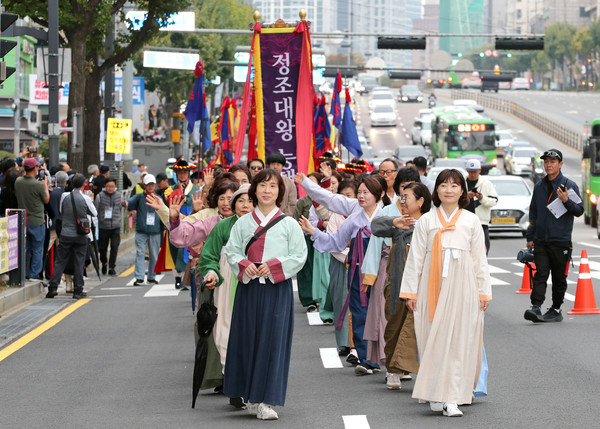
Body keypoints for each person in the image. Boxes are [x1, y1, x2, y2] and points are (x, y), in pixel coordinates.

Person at [400, 169, 491, 417]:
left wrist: (483, 292)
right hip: (431, 286)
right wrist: (410, 292)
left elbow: (478, 259)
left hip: (463, 287)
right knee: (432, 339)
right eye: (443, 185)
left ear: (462, 190)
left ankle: (452, 397)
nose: (448, 189)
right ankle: (435, 392)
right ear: (436, 190)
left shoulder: (471, 220)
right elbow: (416, 258)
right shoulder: (427, 221)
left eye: (454, 185)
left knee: (459, 341)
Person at [223, 169, 307, 420]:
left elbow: (299, 256)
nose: (267, 190)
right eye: (262, 185)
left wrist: (273, 266)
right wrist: (243, 264)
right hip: (248, 290)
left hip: (276, 289)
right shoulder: (243, 223)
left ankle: (266, 400)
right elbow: (232, 251)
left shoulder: (290, 223)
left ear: (280, 192)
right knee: (246, 340)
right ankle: (248, 395)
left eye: (273, 186)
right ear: (254, 190)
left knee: (273, 344)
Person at [298, 175, 385, 376]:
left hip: (382, 271)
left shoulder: (386, 215)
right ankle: (365, 358)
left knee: (382, 312)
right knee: (360, 310)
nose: (361, 197)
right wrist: (314, 231)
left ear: (378, 196)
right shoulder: (354, 219)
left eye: (366, 192)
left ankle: (385, 356)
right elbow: (335, 242)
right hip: (357, 270)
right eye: (359, 192)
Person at [361, 167, 420, 383]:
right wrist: (369, 275)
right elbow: (375, 235)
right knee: (393, 322)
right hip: (394, 276)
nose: (405, 197)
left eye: (410, 191)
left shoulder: (428, 220)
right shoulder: (390, 215)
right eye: (403, 189)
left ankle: (414, 368)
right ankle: (393, 369)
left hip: (422, 281)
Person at [371, 181, 431, 390]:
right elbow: (375, 226)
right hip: (397, 284)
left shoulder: (431, 224)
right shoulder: (400, 223)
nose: (401, 201)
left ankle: (425, 372)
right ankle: (393, 370)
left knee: (424, 329)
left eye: (406, 197)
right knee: (395, 327)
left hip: (425, 287)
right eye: (401, 197)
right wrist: (395, 222)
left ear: (421, 201)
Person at [196, 184, 253, 399]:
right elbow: (209, 256)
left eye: (250, 200)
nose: (245, 205)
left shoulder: (265, 227)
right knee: (224, 331)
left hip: (256, 279)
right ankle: (233, 381)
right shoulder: (222, 227)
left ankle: (249, 381)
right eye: (240, 200)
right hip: (227, 281)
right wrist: (211, 273)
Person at [524, 149, 584, 323]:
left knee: (559, 277)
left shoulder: (569, 185)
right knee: (540, 273)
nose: (548, 165)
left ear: (560, 164)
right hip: (541, 240)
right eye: (546, 162)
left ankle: (556, 308)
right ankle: (535, 307)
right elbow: (533, 213)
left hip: (560, 240)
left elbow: (579, 211)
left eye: (552, 161)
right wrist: (530, 237)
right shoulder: (539, 186)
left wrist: (566, 200)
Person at [45, 174, 97, 299]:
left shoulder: (64, 196)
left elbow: (62, 211)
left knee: (60, 260)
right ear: (83, 184)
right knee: (79, 262)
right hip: (80, 235)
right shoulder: (86, 198)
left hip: (65, 234)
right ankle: (78, 290)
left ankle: (53, 287)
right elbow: (94, 213)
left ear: (71, 184)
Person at [163, 158, 201, 289]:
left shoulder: (196, 190)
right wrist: (179, 190)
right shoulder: (169, 190)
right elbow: (169, 203)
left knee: (190, 252)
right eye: (179, 173)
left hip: (192, 224)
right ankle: (178, 277)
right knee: (176, 251)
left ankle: (189, 277)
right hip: (176, 223)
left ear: (189, 173)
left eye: (185, 172)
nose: (182, 175)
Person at [15, 157, 50, 280]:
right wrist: (45, 185)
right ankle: (34, 275)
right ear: (35, 168)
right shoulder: (38, 185)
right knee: (37, 249)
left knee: (26, 249)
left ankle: (23, 273)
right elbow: (46, 199)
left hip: (23, 220)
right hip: (37, 221)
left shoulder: (18, 181)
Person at [125, 174, 162, 286]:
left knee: (154, 254)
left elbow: (164, 213)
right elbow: (129, 201)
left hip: (155, 230)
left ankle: (151, 277)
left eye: (152, 184)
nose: (150, 187)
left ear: (155, 185)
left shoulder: (159, 198)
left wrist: (165, 228)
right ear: (144, 185)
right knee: (140, 253)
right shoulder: (139, 197)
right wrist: (125, 203)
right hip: (141, 230)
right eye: (148, 185)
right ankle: (139, 277)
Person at [464, 159, 498, 255]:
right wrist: (466, 196)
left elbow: (494, 201)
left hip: (481, 222)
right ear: (467, 171)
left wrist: (482, 198)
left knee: (483, 250)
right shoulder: (461, 182)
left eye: (475, 171)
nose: (473, 174)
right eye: (470, 171)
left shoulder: (486, 183)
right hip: (464, 222)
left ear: (479, 170)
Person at [94, 178, 122, 276]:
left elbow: (120, 209)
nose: (110, 188)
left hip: (115, 226)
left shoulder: (119, 196)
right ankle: (104, 262)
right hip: (103, 226)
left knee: (114, 246)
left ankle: (112, 267)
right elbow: (96, 210)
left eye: (112, 186)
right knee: (102, 248)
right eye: (108, 186)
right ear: (105, 187)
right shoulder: (100, 196)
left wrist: (119, 220)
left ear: (115, 187)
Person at [266, 152, 297, 216]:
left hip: (283, 217)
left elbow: (292, 203)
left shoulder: (289, 182)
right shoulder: (262, 180)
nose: (275, 167)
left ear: (283, 166)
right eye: (273, 164)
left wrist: (284, 217)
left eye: (278, 164)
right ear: (269, 165)